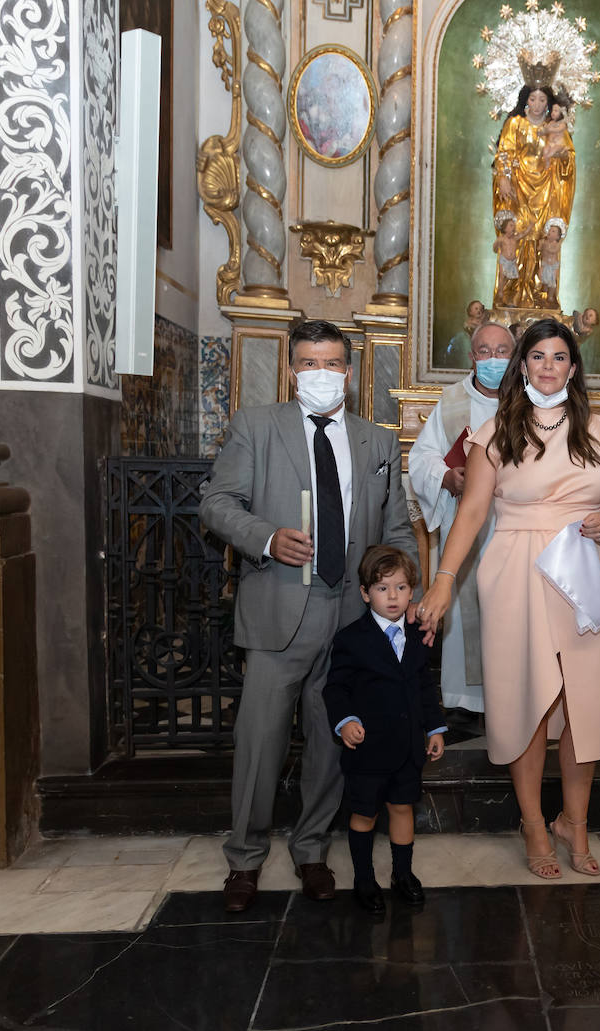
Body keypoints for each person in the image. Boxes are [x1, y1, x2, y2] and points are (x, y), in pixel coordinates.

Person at [199, 319, 419, 913]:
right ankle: (244, 859)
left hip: (353, 617)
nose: (320, 374)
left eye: (331, 363)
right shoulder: (256, 428)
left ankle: (312, 849)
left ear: (349, 372)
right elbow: (217, 503)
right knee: (260, 740)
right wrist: (267, 539)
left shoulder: (376, 441)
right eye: (308, 363)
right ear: (292, 370)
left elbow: (395, 527)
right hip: (278, 607)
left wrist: (405, 591)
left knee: (334, 736)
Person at [417, 318, 600, 879]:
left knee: (582, 704)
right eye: (536, 356)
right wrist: (443, 578)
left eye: (559, 356)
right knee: (529, 701)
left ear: (573, 367)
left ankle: (575, 822)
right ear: (523, 365)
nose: (547, 365)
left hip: (580, 575)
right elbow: (470, 513)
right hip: (515, 569)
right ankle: (534, 824)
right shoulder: (498, 431)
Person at [323, 546, 446, 913]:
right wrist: (346, 721)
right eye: (382, 588)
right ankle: (364, 878)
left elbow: (424, 685)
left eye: (401, 588)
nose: (392, 597)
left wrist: (435, 728)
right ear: (365, 593)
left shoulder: (418, 634)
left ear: (412, 592)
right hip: (368, 749)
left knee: (403, 809)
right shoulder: (351, 639)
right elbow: (336, 688)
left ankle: (402, 874)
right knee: (364, 815)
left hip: (408, 748)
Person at [407, 321, 514, 713]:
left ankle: (513, 698)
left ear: (514, 356)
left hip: (515, 528)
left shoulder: (529, 399)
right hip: (465, 528)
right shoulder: (451, 401)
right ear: (472, 357)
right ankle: (467, 702)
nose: (492, 359)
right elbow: (422, 458)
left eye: (502, 351)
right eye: (484, 352)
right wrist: (447, 476)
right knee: (468, 606)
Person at [492, 85, 576, 308]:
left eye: (542, 100)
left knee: (544, 239)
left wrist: (562, 155)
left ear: (549, 103)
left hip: (547, 190)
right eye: (533, 99)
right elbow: (504, 154)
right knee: (516, 238)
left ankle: (543, 295)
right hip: (518, 189)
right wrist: (503, 177)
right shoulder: (515, 124)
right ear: (525, 100)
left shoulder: (555, 127)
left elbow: (569, 158)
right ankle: (511, 294)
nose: (537, 105)